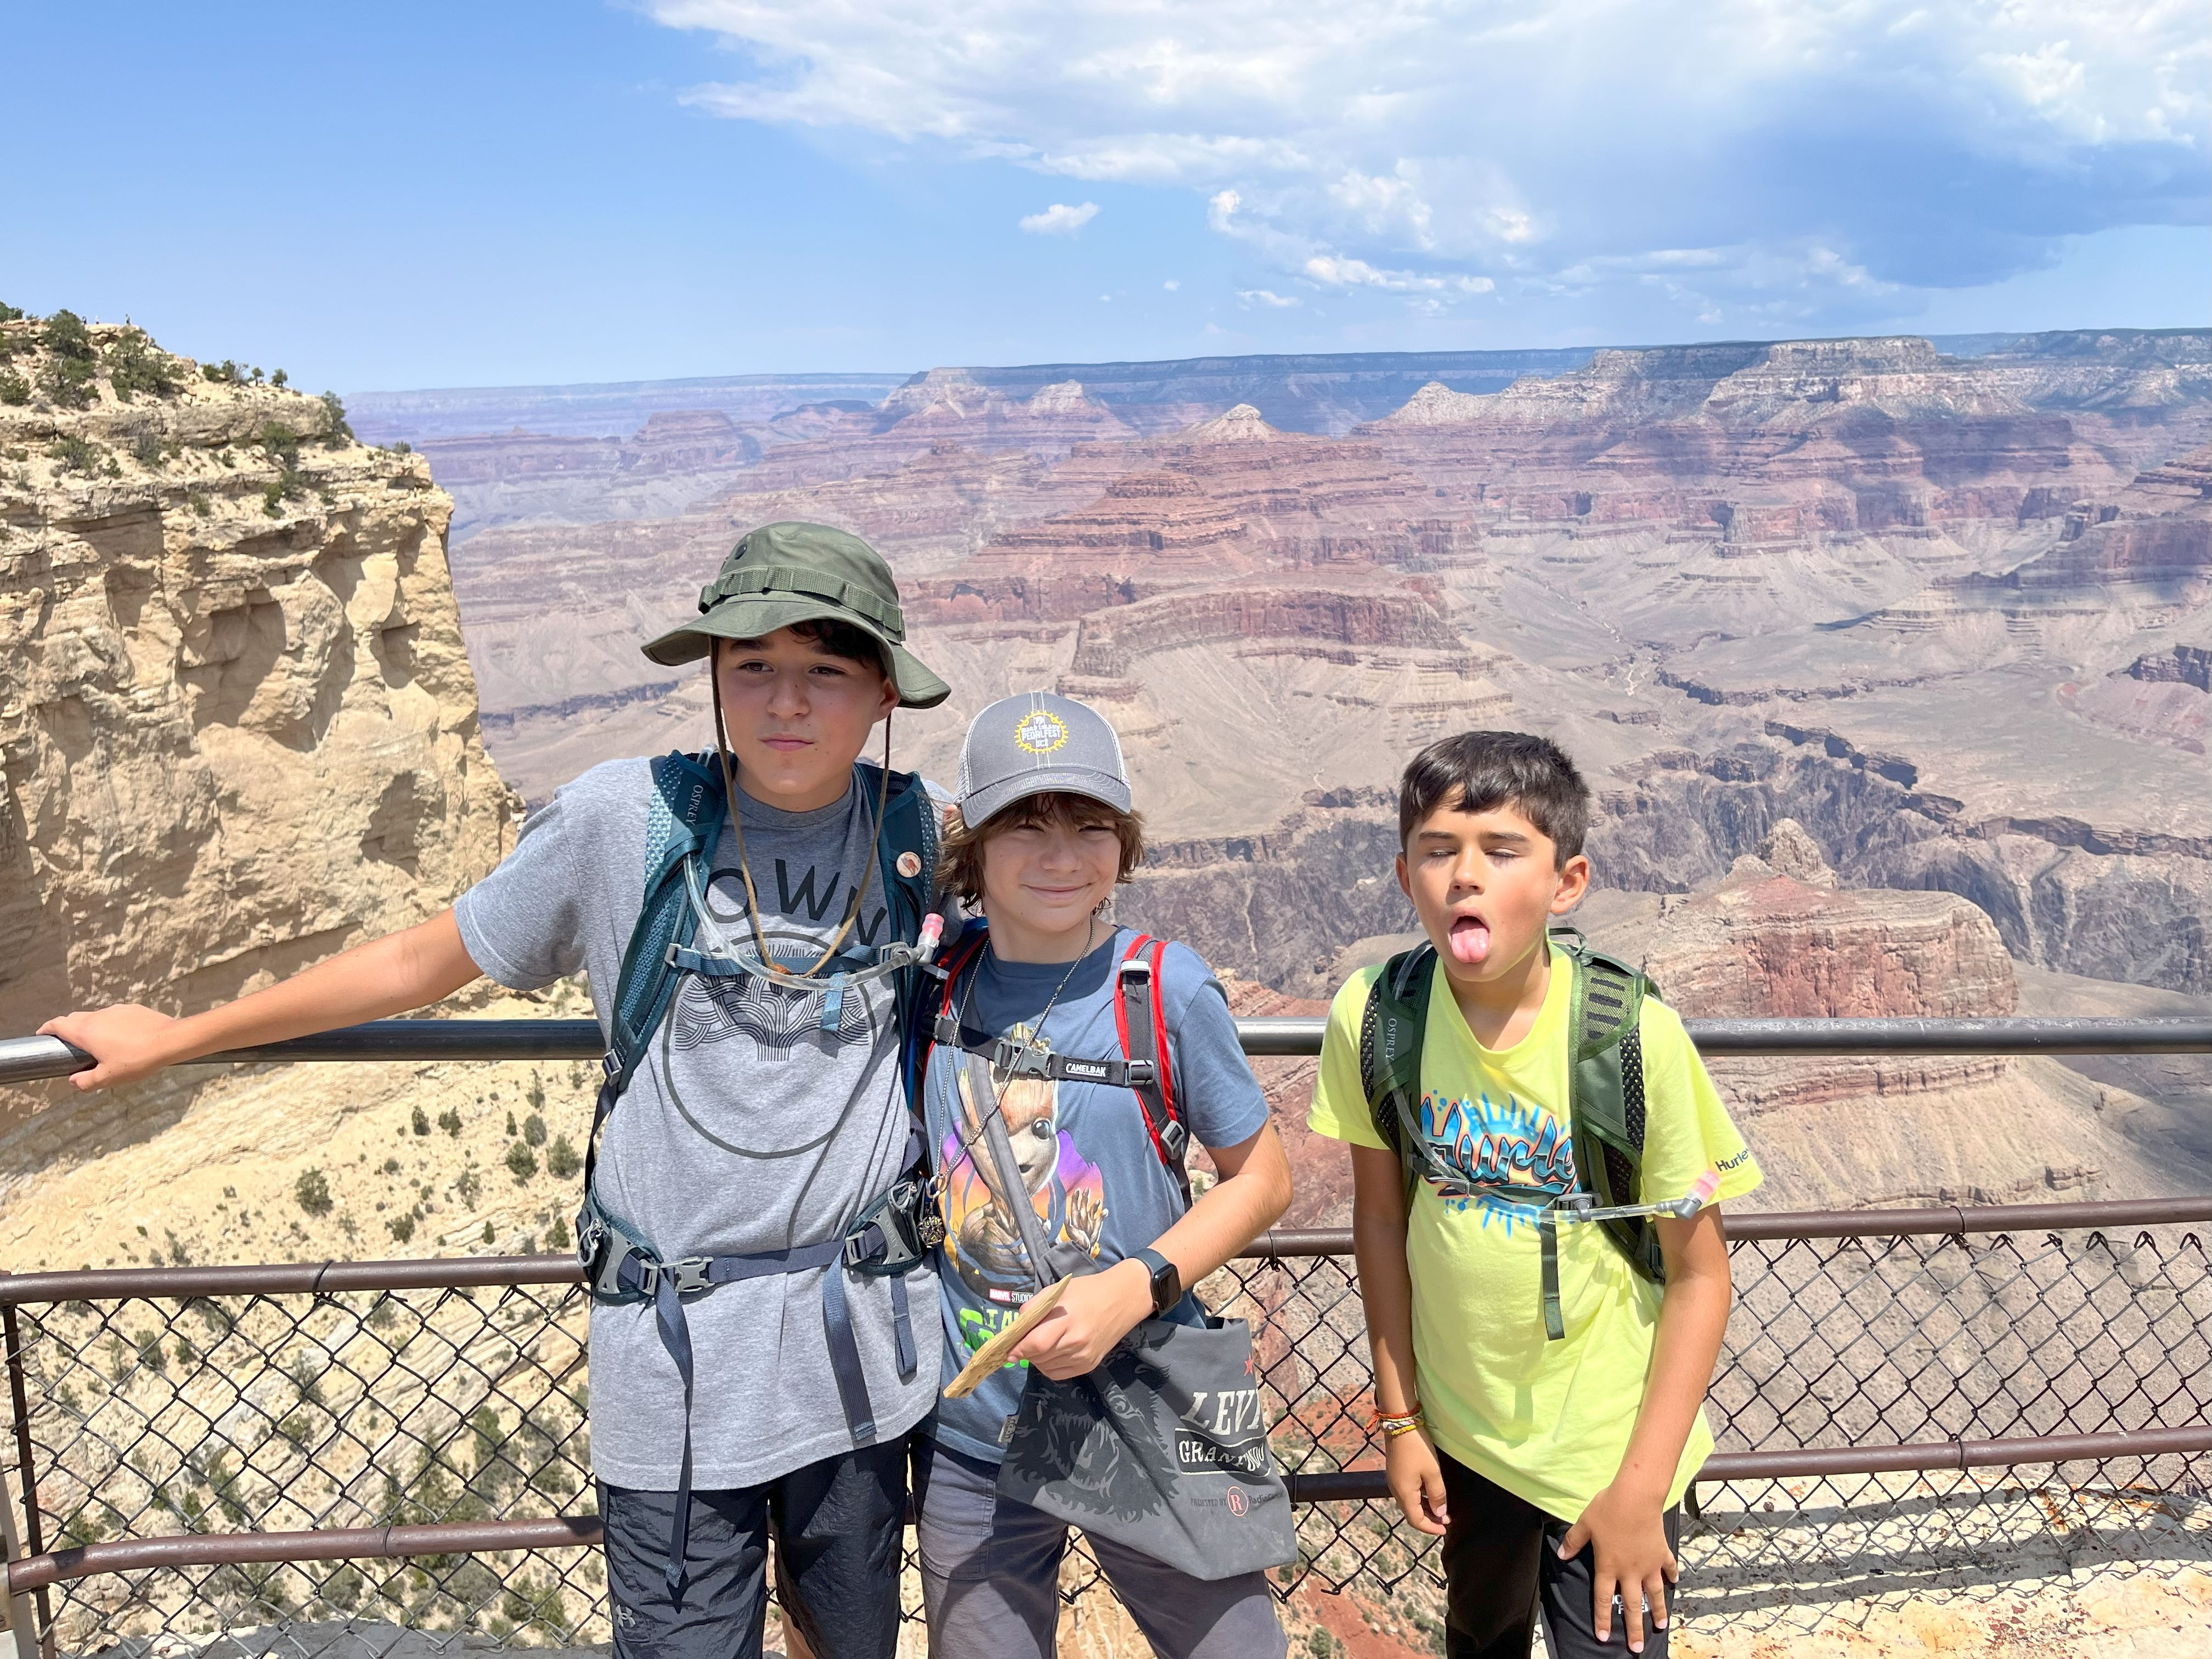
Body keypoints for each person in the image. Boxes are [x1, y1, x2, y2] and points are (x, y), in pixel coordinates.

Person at [41, 522, 955, 1659]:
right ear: (711, 672)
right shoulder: (628, 819)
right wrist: (186, 1036)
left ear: (882, 693)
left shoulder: (918, 829)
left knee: (850, 1641)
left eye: (826, 670)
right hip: (676, 1363)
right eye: (751, 665)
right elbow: (419, 959)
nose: (784, 702)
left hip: (860, 1344)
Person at [1306, 731, 1762, 1659]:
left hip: (1608, 1455)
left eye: (1501, 852)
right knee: (1481, 1638)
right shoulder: (1375, 1017)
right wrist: (1400, 1422)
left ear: (1568, 882)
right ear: (1405, 876)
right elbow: (1383, 1220)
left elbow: (1701, 1277)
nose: (1463, 878)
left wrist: (1640, 1489)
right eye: (1439, 852)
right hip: (1466, 1444)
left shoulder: (1633, 1039)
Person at [909, 692, 1293, 1659]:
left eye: (1090, 826)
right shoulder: (937, 988)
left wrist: (1136, 1285)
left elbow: (1264, 1180)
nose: (1061, 855)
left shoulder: (1163, 988)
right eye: (1024, 825)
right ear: (974, 846)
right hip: (979, 1437)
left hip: (1146, 1403)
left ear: (1124, 843)